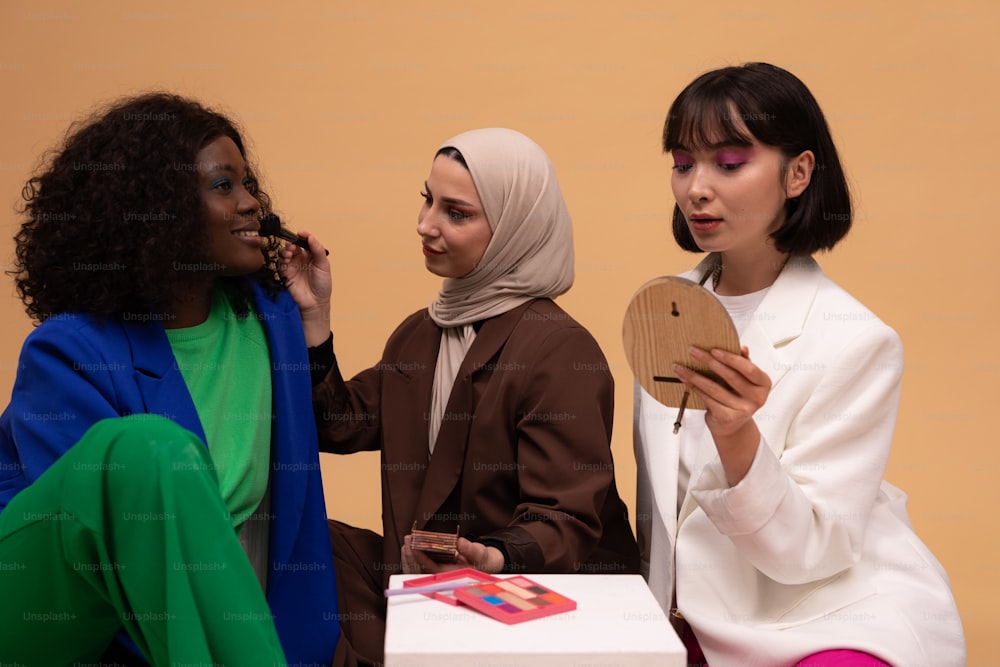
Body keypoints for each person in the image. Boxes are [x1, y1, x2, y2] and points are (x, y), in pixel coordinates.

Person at [632, 62, 966, 666]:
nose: (696, 188)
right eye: (683, 164)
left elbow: (812, 553)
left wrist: (738, 439)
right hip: (696, 615)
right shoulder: (663, 312)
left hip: (828, 612)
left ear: (799, 173)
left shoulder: (858, 342)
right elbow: (661, 511)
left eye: (729, 164)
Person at [0, 92, 340, 666]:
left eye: (247, 182)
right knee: (153, 449)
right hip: (54, 605)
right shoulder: (68, 351)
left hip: (211, 628)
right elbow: (100, 550)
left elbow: (319, 444)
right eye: (222, 186)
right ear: (158, 213)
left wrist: (316, 324)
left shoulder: (273, 317)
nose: (251, 203)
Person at [283, 127, 639, 665]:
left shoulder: (559, 350)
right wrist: (314, 319)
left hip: (533, 595)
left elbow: (565, 521)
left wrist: (492, 557)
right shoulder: (420, 333)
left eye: (457, 213)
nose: (425, 225)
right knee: (306, 544)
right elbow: (339, 423)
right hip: (432, 584)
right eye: (427, 199)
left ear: (516, 230)